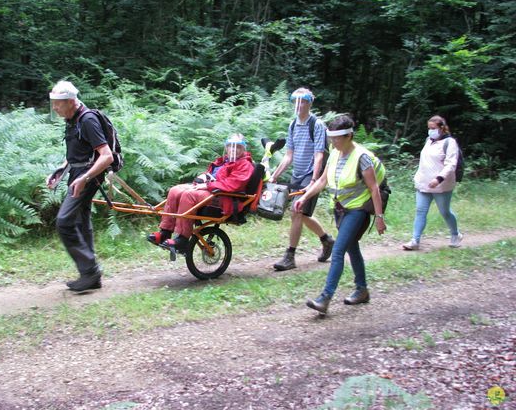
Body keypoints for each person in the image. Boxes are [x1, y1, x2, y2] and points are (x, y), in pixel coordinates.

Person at [294, 115, 387, 314]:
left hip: (358, 209)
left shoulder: (361, 157)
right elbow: (322, 181)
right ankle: (362, 290)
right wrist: (305, 197)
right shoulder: (335, 153)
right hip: (340, 208)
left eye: (337, 138)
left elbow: (374, 189)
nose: (333, 142)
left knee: (338, 252)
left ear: (349, 136)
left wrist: (379, 218)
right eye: (331, 138)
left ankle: (324, 298)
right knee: (352, 248)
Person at [46, 81, 114, 292]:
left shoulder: (87, 120)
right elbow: (76, 154)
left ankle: (90, 271)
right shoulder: (72, 119)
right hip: (78, 175)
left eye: (58, 104)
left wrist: (85, 178)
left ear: (70, 101)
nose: (54, 108)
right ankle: (91, 274)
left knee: (64, 221)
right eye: (53, 104)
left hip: (87, 177)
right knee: (82, 219)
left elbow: (107, 156)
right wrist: (59, 171)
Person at [147, 134, 255, 253]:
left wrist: (208, 185)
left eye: (238, 147)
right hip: (210, 190)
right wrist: (202, 178)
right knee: (175, 190)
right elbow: (211, 174)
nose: (233, 149)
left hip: (224, 196)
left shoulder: (245, 164)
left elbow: (233, 184)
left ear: (243, 149)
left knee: (188, 195)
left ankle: (183, 239)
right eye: (230, 146)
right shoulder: (223, 161)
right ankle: (165, 232)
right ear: (227, 147)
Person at [269, 87, 334, 270]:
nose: (298, 105)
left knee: (297, 212)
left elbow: (319, 155)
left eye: (302, 101)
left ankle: (290, 256)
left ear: (309, 103)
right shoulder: (292, 125)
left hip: (312, 174)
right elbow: (288, 156)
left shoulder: (317, 125)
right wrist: (274, 176)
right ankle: (327, 240)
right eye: (295, 101)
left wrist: (313, 181)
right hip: (297, 174)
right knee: (303, 215)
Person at [402, 115, 463, 251]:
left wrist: (438, 179)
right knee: (420, 211)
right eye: (429, 128)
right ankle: (415, 240)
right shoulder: (428, 141)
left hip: (442, 186)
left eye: (433, 128)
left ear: (442, 128)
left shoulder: (450, 143)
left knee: (445, 212)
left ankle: (455, 234)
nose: (430, 131)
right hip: (424, 184)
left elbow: (450, 165)